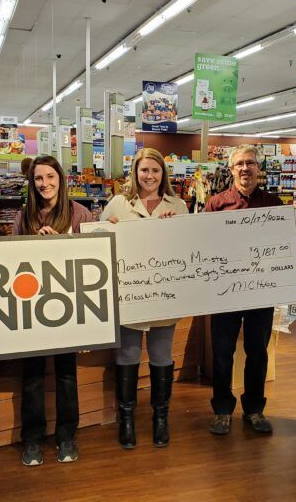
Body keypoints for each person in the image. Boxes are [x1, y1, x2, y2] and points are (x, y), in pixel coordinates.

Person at [99, 148, 189, 449]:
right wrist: (106, 229)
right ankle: (126, 418)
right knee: (127, 357)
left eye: (155, 170)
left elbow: (189, 250)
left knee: (162, 357)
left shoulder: (177, 205)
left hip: (164, 296)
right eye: (144, 170)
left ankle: (160, 417)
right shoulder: (119, 203)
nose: (149, 176)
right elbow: (99, 244)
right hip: (130, 296)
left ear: (163, 174)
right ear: (134, 172)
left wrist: (173, 229)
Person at [13, 156, 92, 466]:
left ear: (61, 178)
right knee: (31, 375)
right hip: (32, 307)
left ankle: (66, 435)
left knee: (66, 375)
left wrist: (62, 245)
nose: (44, 183)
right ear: (32, 183)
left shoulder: (80, 214)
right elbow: (12, 261)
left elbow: (91, 259)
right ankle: (31, 439)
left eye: (50, 177)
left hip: (67, 307)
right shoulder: (24, 217)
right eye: (38, 179)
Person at [205, 145, 283, 436]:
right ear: (232, 168)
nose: (245, 168)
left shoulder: (275, 205)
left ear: (258, 168)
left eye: (250, 163)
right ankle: (222, 410)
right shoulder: (216, 204)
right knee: (222, 352)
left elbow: (284, 244)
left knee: (257, 352)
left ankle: (254, 409)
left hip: (260, 291)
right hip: (225, 291)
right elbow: (202, 243)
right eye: (240, 163)